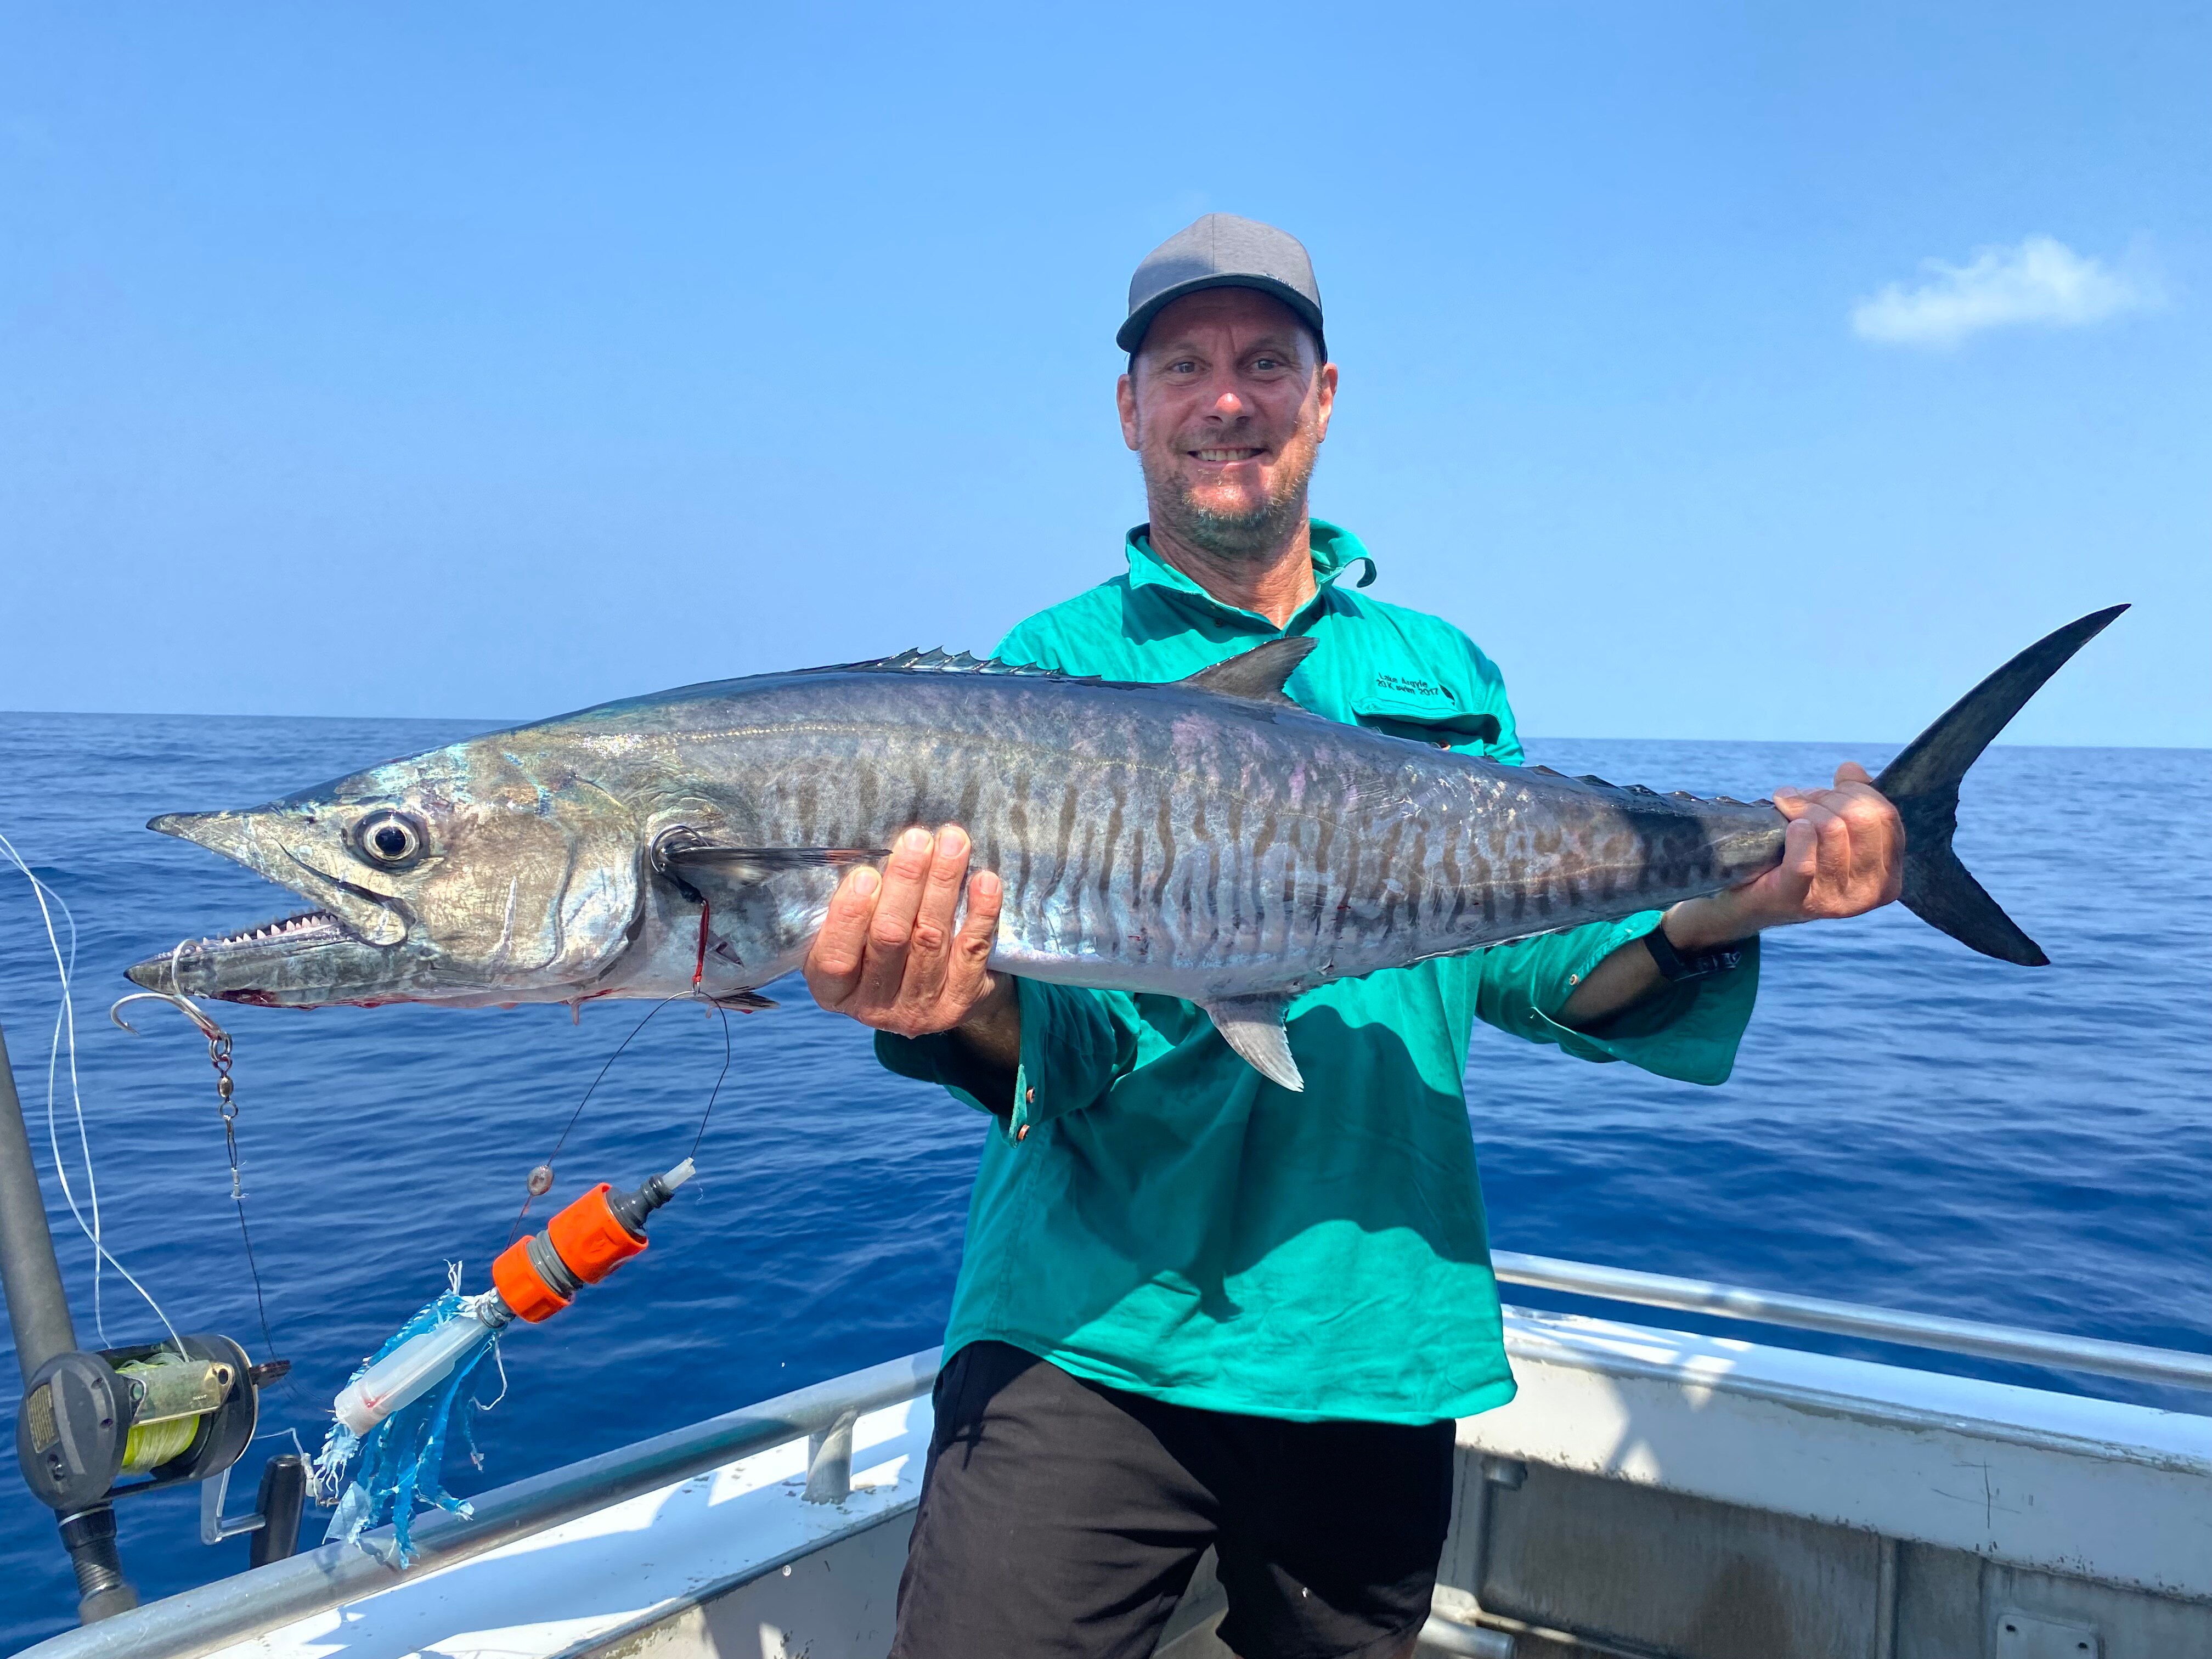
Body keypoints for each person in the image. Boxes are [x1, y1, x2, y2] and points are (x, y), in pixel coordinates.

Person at [803, 215, 1904, 1659]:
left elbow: (1540, 966)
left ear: (1323, 400)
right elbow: (1057, 1037)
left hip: (1372, 1338)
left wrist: (1738, 896)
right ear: (1131, 411)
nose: (1229, 399)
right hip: (1087, 1332)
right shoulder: (1047, 675)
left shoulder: (1441, 673)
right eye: (1185, 366)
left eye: (1268, 362)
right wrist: (941, 1005)